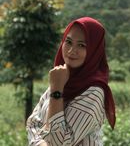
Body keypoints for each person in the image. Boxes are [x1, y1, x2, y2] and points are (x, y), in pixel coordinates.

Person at [26, 16, 116, 146]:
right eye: (68, 42)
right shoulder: (62, 77)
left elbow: (59, 142)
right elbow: (33, 123)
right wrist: (40, 144)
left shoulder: (94, 92)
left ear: (94, 50)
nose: (71, 50)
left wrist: (57, 90)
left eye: (81, 45)